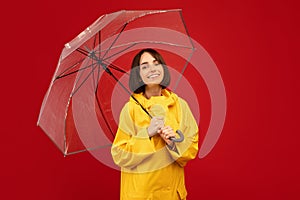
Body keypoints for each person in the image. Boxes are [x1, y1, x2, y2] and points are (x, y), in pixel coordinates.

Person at [111, 48, 199, 200]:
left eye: (156, 64)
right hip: (141, 195)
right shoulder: (131, 109)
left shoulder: (180, 105)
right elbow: (119, 155)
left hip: (172, 194)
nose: (152, 69)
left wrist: (172, 143)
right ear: (138, 74)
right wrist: (147, 134)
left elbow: (191, 148)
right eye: (144, 66)